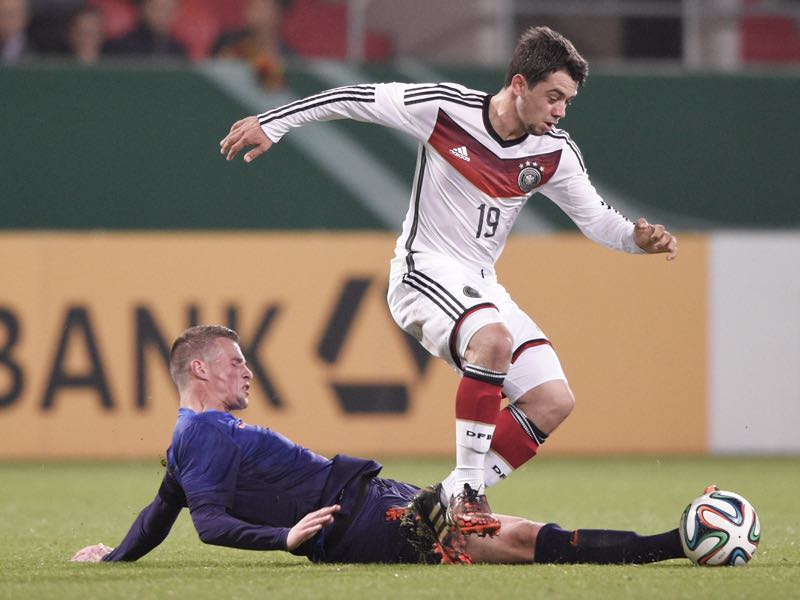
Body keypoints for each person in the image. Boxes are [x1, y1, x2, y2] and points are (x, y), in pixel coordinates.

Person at [218, 26, 679, 538]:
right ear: (520, 84)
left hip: (481, 284)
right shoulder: (445, 108)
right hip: (422, 270)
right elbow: (355, 98)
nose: (560, 111)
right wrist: (274, 123)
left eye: (568, 101)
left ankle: (431, 510)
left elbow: (596, 219)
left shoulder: (554, 152)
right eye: (554, 97)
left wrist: (638, 239)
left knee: (552, 400)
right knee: (494, 340)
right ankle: (464, 491)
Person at [71, 325, 687, 566]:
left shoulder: (194, 439)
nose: (247, 371)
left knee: (515, 533)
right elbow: (206, 522)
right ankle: (679, 542)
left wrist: (117, 556)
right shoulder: (203, 433)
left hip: (370, 501)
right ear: (199, 372)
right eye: (235, 363)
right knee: (520, 539)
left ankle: (677, 541)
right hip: (364, 521)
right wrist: (283, 539)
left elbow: (162, 511)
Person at [212, 0, 294, 90]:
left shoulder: (290, 57)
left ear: (278, 15)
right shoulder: (228, 42)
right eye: (252, 5)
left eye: (262, 7)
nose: (253, 11)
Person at [103, 0, 186, 59]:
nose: (163, 15)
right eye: (158, 8)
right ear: (144, 8)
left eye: (169, 9)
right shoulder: (119, 46)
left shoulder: (178, 50)